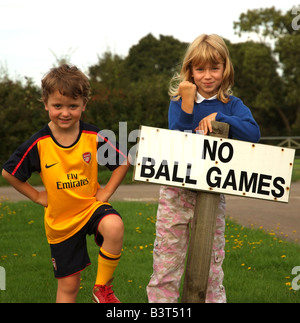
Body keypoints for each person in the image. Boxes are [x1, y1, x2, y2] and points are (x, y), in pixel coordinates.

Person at [146, 34, 260, 303]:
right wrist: (187, 102)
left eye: (214, 68)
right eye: (200, 69)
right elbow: (178, 136)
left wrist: (220, 118)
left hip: (211, 194)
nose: (207, 75)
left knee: (211, 267)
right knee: (166, 263)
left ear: (225, 69)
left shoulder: (232, 105)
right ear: (190, 72)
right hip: (176, 194)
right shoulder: (179, 101)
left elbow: (253, 133)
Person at [2, 64, 130, 303]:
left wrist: (107, 191)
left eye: (73, 106)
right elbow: (10, 174)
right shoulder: (38, 143)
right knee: (69, 287)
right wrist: (38, 196)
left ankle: (101, 289)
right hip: (61, 222)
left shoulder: (94, 136)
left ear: (84, 105)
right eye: (57, 106)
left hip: (90, 208)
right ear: (46, 104)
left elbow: (123, 162)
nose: (65, 112)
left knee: (114, 226)